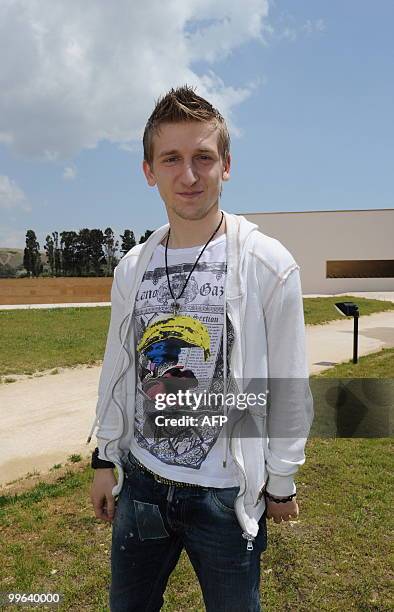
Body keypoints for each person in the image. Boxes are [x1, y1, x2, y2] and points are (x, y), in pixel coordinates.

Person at [88, 85, 314, 612]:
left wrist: (280, 480)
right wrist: (104, 456)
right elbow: (118, 367)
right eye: (171, 159)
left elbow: (287, 382)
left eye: (203, 158)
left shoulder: (266, 263)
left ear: (226, 165)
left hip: (226, 496)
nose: (188, 175)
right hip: (141, 485)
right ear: (149, 170)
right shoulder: (133, 266)